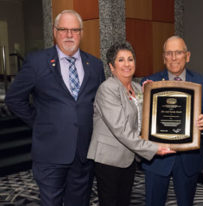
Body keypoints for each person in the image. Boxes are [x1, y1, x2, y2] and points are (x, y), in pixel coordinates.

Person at [5, 10, 105, 206]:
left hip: (83, 154)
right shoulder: (37, 62)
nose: (69, 35)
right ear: (54, 31)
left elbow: (99, 105)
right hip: (50, 154)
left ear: (82, 33)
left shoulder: (94, 65)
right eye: (63, 30)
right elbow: (14, 98)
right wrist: (39, 122)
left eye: (74, 30)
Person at [87, 41, 175, 206]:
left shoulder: (138, 88)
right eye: (121, 60)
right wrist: (154, 148)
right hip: (109, 160)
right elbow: (121, 129)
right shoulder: (107, 89)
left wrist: (153, 92)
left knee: (124, 201)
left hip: (128, 157)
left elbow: (150, 117)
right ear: (111, 67)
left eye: (130, 59)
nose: (127, 64)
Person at [141, 35, 203, 206]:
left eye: (178, 53)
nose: (173, 58)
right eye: (169, 53)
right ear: (163, 57)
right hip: (157, 159)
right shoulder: (149, 83)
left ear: (187, 56)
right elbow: (139, 119)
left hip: (188, 159)